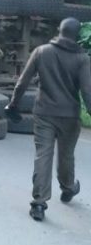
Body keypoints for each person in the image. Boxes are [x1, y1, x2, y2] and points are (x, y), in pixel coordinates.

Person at [7, 17, 91, 221]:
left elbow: (22, 82)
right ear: (77, 35)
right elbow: (87, 91)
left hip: (44, 112)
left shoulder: (42, 51)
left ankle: (39, 203)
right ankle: (68, 187)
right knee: (66, 155)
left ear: (59, 30)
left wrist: (13, 104)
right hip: (70, 115)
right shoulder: (82, 58)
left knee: (43, 155)